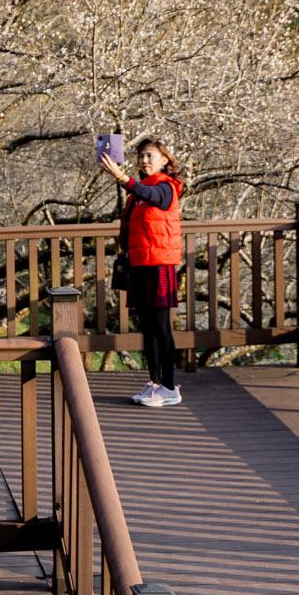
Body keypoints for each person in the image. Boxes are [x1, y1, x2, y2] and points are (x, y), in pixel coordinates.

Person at [100, 136, 185, 407]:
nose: (144, 161)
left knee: (161, 327)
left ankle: (170, 387)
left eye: (150, 156)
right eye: (142, 156)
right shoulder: (138, 193)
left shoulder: (166, 187)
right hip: (140, 264)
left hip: (159, 264)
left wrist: (123, 178)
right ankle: (156, 383)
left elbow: (155, 198)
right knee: (147, 328)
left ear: (165, 161)